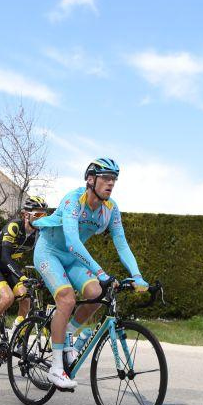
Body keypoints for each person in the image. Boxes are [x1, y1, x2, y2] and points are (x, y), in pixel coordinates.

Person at [31, 158, 149, 390]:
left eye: (114, 179)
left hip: (71, 258)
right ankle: (56, 368)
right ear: (91, 179)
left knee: (96, 292)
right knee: (67, 299)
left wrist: (136, 275)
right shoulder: (74, 200)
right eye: (106, 178)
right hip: (49, 252)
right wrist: (100, 271)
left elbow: (122, 244)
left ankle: (68, 336)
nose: (111, 183)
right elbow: (73, 242)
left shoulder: (110, 209)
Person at [0, 195, 48, 351]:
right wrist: (22, 277)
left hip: (9, 266)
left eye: (44, 215)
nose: (41, 219)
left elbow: (44, 256)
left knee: (26, 297)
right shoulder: (14, 226)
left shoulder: (39, 234)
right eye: (37, 215)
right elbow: (5, 257)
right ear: (25, 215)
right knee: (8, 297)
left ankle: (18, 333)